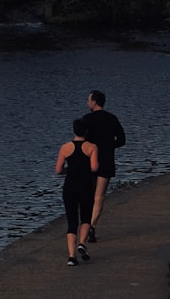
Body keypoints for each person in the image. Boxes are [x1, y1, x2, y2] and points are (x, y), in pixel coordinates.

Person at [83, 89, 125, 242]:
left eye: (88, 100)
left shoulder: (86, 119)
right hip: (106, 161)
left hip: (89, 162)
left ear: (94, 102)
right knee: (99, 197)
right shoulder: (112, 118)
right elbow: (122, 140)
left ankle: (86, 225)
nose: (87, 103)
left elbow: (82, 142)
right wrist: (108, 146)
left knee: (88, 195)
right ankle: (92, 226)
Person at [55, 117, 99, 266]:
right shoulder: (92, 147)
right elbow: (94, 168)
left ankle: (71, 256)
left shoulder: (65, 148)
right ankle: (82, 243)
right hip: (85, 186)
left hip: (70, 187)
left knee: (71, 221)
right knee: (86, 218)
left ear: (74, 130)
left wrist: (69, 169)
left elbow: (58, 170)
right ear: (86, 131)